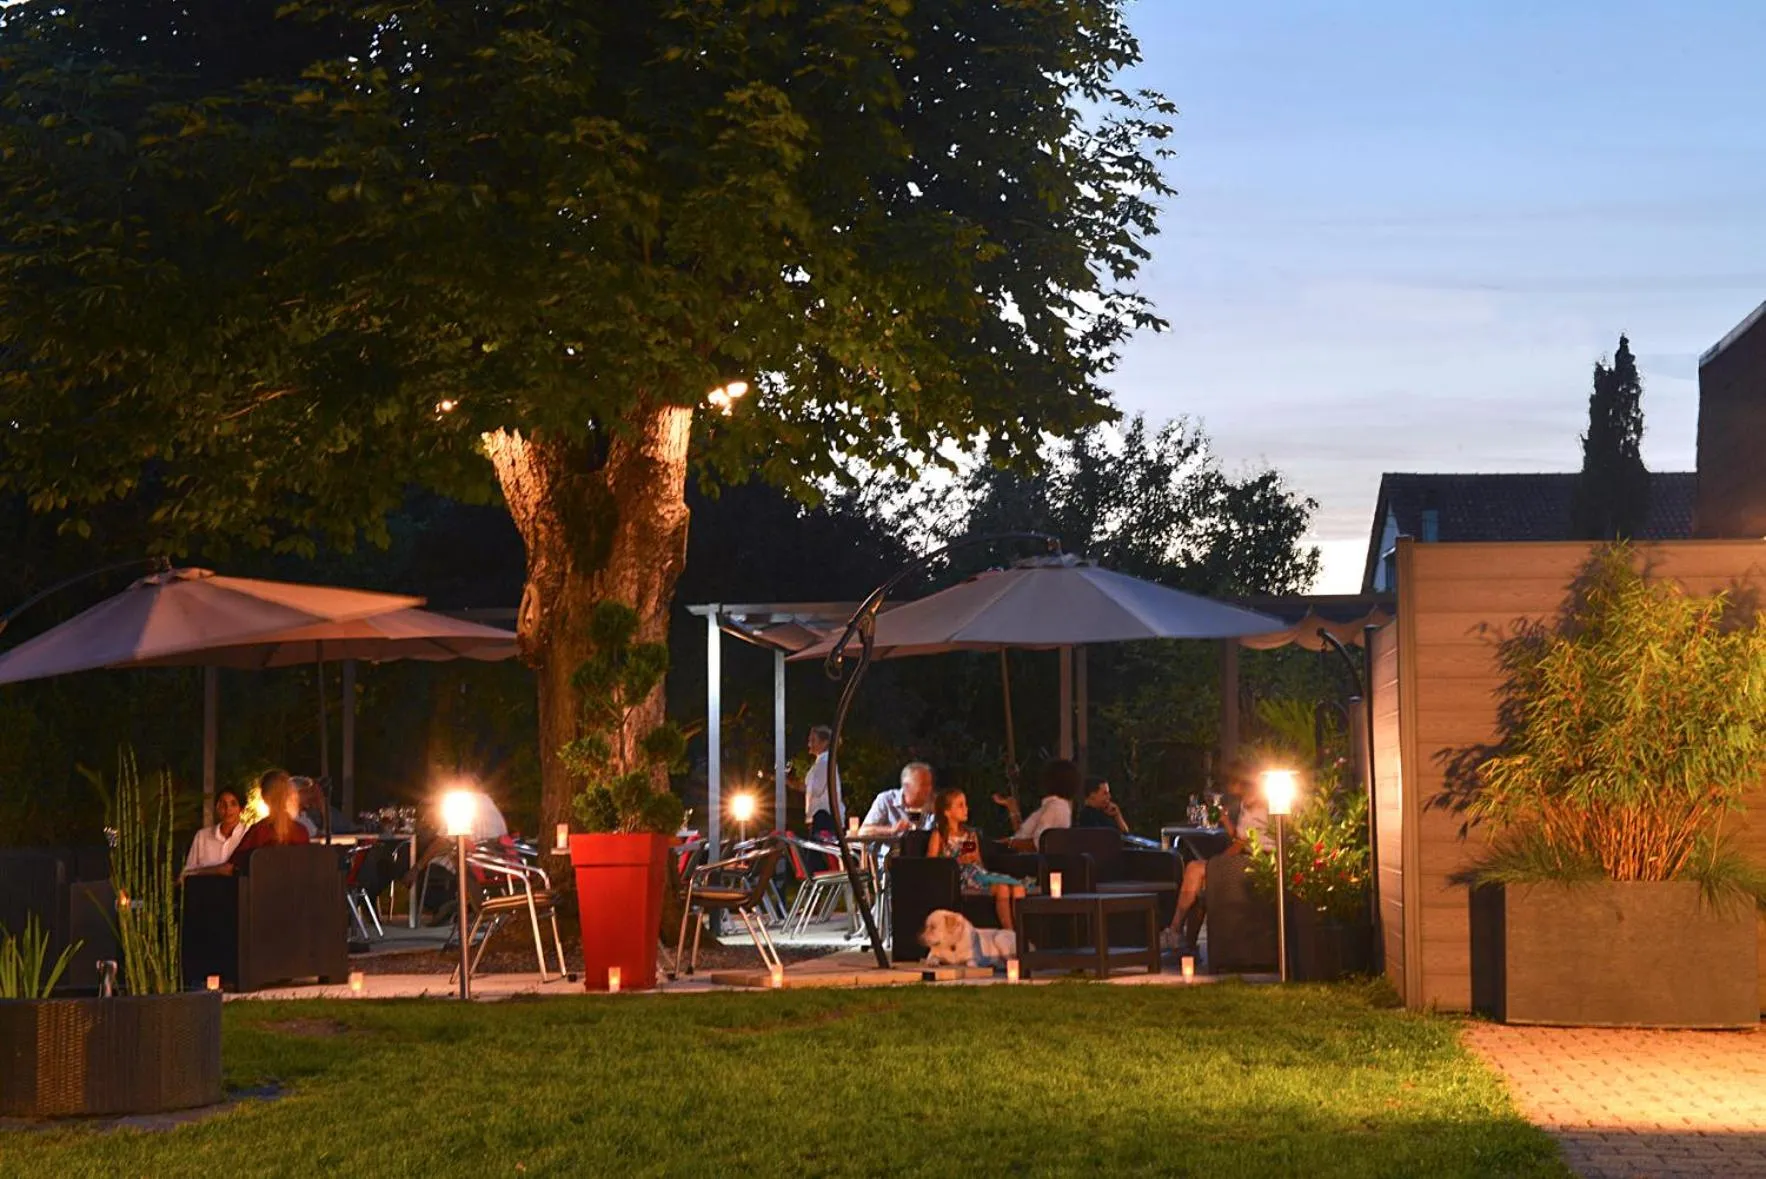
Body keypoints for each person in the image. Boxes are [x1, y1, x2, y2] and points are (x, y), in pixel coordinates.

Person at [1160, 766, 1268, 954]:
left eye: (1229, 783)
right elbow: (1239, 836)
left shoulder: (1261, 804)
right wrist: (1226, 821)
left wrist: (1218, 863)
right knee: (1198, 882)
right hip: (1244, 858)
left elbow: (1241, 844)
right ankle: (1186, 943)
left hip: (1258, 862)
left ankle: (1175, 931)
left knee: (1194, 869)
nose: (1227, 788)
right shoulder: (1245, 802)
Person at [928, 788, 1035, 930]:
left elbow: (977, 861)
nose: (966, 809)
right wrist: (956, 861)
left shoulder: (969, 834)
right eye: (960, 805)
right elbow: (930, 864)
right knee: (1002, 889)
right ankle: (1010, 934)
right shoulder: (940, 835)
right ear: (947, 812)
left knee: (1017, 888)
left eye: (965, 805)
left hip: (977, 873)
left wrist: (972, 858)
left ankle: (1021, 933)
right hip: (959, 877)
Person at [211, 770, 310, 875]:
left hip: (262, 890)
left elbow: (230, 868)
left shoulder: (259, 831)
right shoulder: (301, 832)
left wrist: (199, 871)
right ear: (288, 796)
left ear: (264, 797)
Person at [993, 759, 1080, 851]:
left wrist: (1007, 843)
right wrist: (1013, 809)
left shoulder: (1055, 808)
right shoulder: (1054, 806)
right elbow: (1023, 836)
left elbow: (1039, 844)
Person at [182, 787, 247, 876]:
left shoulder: (248, 835)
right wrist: (215, 870)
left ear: (241, 809)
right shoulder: (202, 836)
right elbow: (188, 872)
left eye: (233, 804)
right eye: (222, 804)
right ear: (217, 807)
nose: (227, 809)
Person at [862, 761, 936, 831]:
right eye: (923, 785)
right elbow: (864, 831)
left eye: (929, 784)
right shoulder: (887, 800)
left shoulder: (934, 803)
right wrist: (891, 830)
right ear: (907, 786)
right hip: (893, 844)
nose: (928, 789)